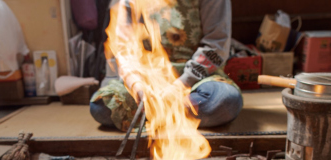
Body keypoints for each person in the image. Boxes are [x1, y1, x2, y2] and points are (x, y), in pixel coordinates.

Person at [90, 0, 242, 131]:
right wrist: (137, 87)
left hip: (196, 81)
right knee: (100, 107)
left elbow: (217, 45)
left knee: (225, 101)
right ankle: (170, 115)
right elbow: (124, 48)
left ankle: (152, 115)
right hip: (148, 81)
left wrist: (179, 86)